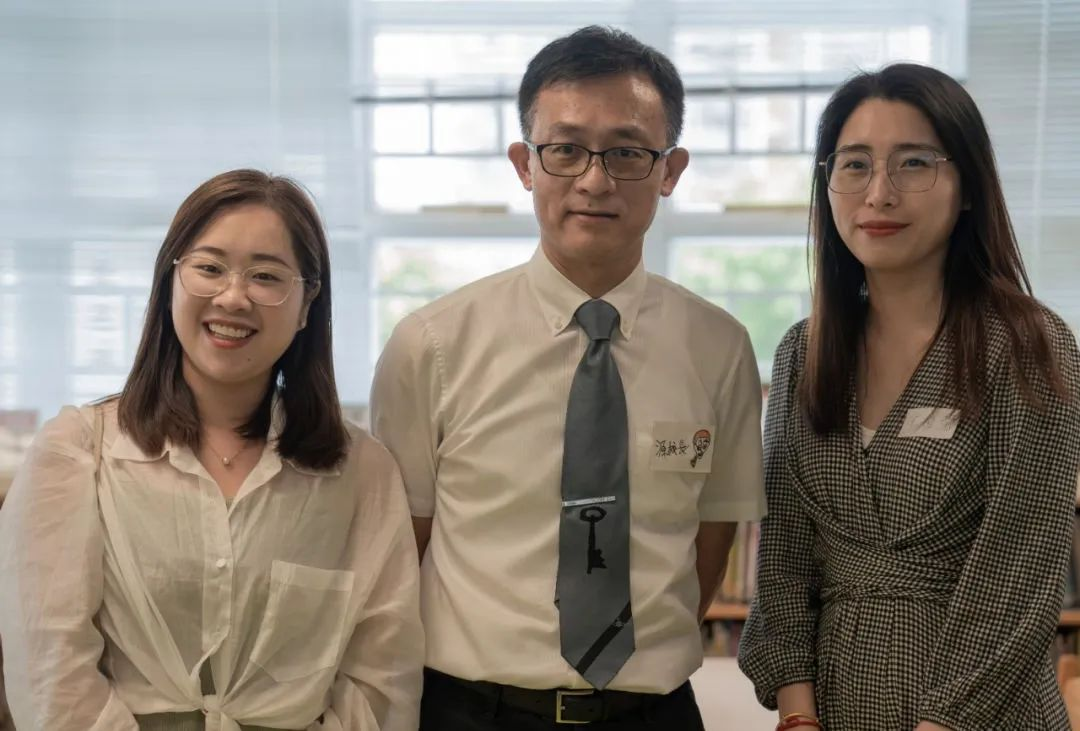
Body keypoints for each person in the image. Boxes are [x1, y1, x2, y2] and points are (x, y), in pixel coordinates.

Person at [370, 25, 766, 731]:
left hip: (654, 715)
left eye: (627, 151)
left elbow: (711, 539)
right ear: (525, 163)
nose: (594, 179)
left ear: (671, 170)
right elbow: (404, 553)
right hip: (470, 710)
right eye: (566, 149)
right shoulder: (431, 345)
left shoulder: (719, 347)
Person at [0, 170, 423, 731]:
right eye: (209, 268)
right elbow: (49, 668)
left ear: (306, 304)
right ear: (169, 283)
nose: (232, 296)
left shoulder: (361, 471)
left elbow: (382, 673)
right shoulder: (79, 452)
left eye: (266, 276)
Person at [737, 63, 1080, 731]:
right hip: (835, 706)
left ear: (968, 186)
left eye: (914, 164)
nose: (880, 193)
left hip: (986, 713)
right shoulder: (803, 351)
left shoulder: (1027, 344)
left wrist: (941, 723)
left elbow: (1017, 574)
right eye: (855, 165)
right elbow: (781, 558)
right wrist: (798, 715)